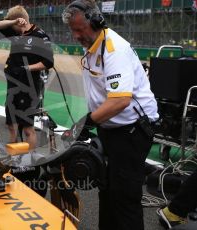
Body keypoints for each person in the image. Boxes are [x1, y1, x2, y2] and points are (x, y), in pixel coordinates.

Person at [62, 1, 159, 230]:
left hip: (132, 131)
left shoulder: (114, 48)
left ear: (96, 23)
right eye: (72, 30)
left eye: (79, 30)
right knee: (106, 190)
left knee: (124, 197)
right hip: (110, 129)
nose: (75, 36)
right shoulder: (93, 44)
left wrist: (87, 122)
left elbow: (120, 100)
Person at [0, 5, 54, 150]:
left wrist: (26, 68)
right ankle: (12, 158)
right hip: (13, 86)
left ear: (21, 20)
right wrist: (12, 22)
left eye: (13, 22)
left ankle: (29, 161)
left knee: (28, 128)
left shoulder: (40, 36)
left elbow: (49, 62)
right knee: (11, 125)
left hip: (30, 88)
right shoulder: (15, 32)